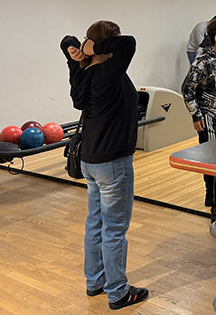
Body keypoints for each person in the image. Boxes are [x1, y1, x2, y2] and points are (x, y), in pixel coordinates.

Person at [60, 21, 148, 310]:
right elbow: (128, 44)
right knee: (114, 229)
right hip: (113, 163)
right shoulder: (109, 72)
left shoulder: (83, 73)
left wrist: (79, 50)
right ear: (108, 44)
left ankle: (95, 281)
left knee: (95, 223)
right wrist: (91, 47)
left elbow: (65, 41)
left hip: (91, 161)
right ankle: (118, 292)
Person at [181, 18, 216, 220]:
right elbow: (187, 88)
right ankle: (215, 208)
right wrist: (195, 115)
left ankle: (214, 197)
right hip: (207, 118)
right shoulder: (203, 61)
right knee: (213, 160)